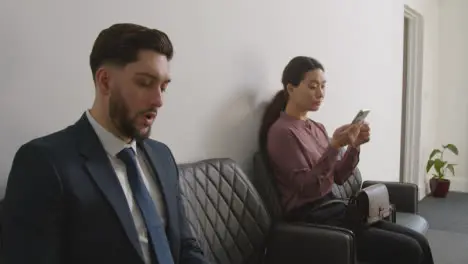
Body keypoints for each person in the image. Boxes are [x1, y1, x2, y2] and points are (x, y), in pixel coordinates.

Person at [1, 23, 209, 264]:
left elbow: (184, 246)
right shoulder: (44, 163)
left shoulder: (162, 156)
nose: (159, 100)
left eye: (163, 87)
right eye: (145, 83)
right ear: (105, 81)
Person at [259, 56, 434, 264]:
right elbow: (307, 188)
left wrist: (354, 145)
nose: (320, 93)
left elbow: (339, 177)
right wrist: (334, 146)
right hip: (312, 218)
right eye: (313, 86)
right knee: (410, 249)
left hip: (334, 209)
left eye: (323, 86)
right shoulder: (282, 132)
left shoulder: (317, 127)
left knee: (418, 241)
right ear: (291, 89)